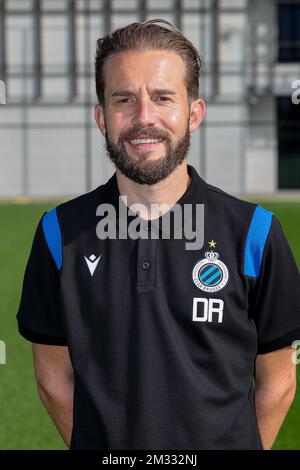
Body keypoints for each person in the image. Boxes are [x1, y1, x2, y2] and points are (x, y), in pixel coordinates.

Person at [17, 19, 300, 450]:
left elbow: (278, 382)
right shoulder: (59, 234)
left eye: (163, 98)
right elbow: (53, 379)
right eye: (124, 99)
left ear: (194, 113)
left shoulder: (255, 232)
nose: (143, 117)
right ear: (101, 117)